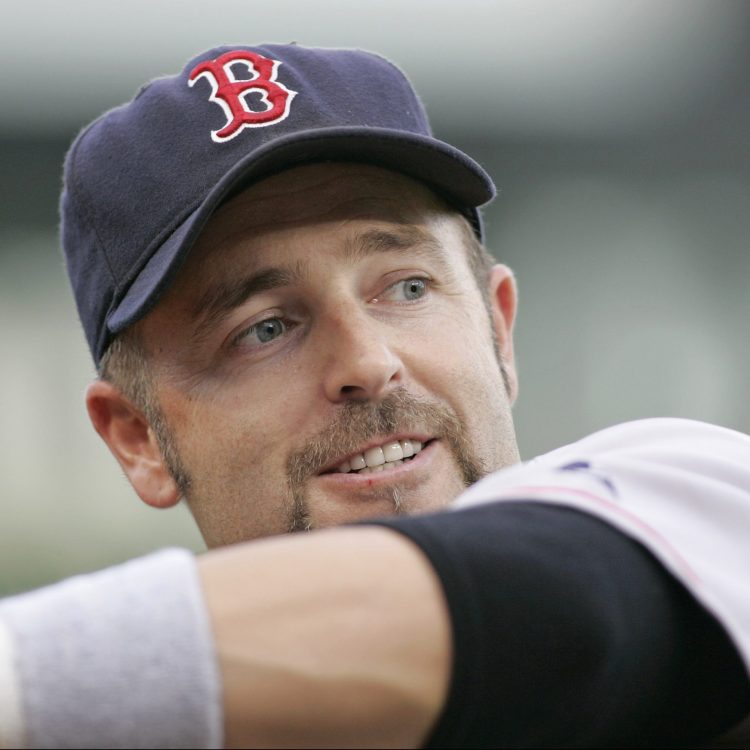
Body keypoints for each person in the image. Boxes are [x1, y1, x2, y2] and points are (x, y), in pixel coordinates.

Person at [1, 43, 750, 748]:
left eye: (408, 287)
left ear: (499, 329)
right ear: (140, 438)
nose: (366, 361)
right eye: (262, 329)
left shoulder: (688, 490)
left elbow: (565, 615)